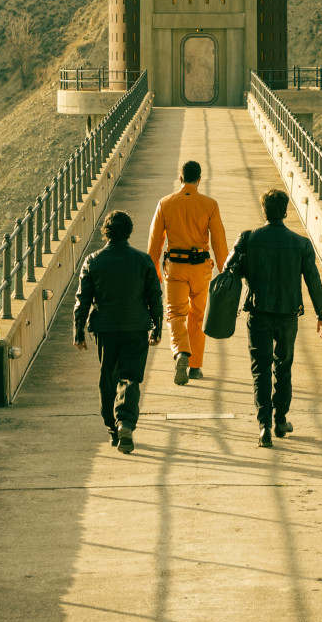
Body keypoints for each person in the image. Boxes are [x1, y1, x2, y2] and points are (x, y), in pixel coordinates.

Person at [223, 188, 322, 448]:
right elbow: (313, 280)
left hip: (258, 314)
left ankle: (264, 427)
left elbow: (228, 269)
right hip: (288, 314)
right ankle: (281, 419)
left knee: (260, 369)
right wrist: (321, 314)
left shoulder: (248, 239)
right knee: (283, 366)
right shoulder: (300, 243)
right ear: (285, 212)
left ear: (264, 211)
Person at [74, 210, 164, 454]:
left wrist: (78, 331)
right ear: (129, 232)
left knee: (109, 378)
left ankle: (113, 429)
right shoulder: (143, 261)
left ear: (106, 232)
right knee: (131, 376)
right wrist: (157, 325)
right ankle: (125, 421)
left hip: (106, 328)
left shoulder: (93, 260)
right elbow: (155, 296)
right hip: (136, 327)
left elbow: (82, 299)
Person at [147, 159, 228, 386]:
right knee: (198, 315)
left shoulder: (165, 203)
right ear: (199, 180)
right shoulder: (210, 205)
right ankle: (195, 366)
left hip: (175, 267)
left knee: (175, 314)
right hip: (201, 269)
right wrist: (225, 271)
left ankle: (181, 351)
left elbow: (155, 243)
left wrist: (154, 273)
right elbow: (219, 242)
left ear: (180, 178)